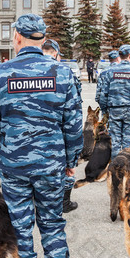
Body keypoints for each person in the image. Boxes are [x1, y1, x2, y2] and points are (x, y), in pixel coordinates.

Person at [0, 14, 83, 258]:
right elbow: (73, 124)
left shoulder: (1, 73)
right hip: (51, 163)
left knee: (20, 224)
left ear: (17, 38)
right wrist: (71, 159)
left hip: (14, 165)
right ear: (42, 39)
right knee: (52, 221)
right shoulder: (61, 73)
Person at [41, 38, 81, 213]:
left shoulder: (13, 69)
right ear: (55, 53)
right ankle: (64, 202)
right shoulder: (64, 72)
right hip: (55, 142)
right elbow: (73, 119)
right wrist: (72, 160)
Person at [95, 44, 130, 159]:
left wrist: (105, 111)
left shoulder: (111, 71)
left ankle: (115, 170)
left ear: (120, 56)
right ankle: (125, 167)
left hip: (114, 109)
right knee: (127, 142)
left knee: (115, 142)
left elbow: (103, 94)